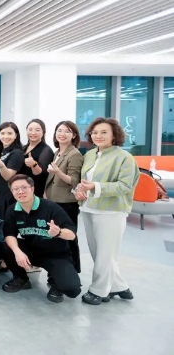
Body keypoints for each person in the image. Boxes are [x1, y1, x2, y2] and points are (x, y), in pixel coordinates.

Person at [75, 117, 139, 306]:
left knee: (105, 254)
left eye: (104, 132)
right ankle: (119, 286)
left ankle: (99, 290)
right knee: (99, 252)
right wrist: (79, 190)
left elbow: (125, 186)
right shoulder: (90, 155)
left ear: (114, 135)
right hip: (88, 208)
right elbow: (84, 181)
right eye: (94, 132)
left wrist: (95, 186)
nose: (98, 136)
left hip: (111, 212)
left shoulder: (124, 157)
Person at [1, 175, 80, 303]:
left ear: (32, 188)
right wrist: (17, 252)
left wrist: (58, 232)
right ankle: (21, 278)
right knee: (6, 245)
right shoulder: (12, 210)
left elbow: (72, 234)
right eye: (16, 189)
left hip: (56, 254)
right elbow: (9, 234)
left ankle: (55, 281)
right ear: (12, 192)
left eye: (24, 187)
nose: (20, 191)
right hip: (32, 251)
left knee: (72, 289)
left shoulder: (50, 207)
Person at [45, 120, 84, 273]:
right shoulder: (58, 152)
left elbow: (74, 181)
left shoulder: (74, 154)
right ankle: (59, 270)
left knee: (69, 237)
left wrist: (58, 172)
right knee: (56, 237)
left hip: (66, 203)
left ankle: (73, 269)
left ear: (74, 135)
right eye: (59, 131)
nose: (62, 134)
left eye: (67, 131)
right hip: (54, 200)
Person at [0, 122, 24, 219]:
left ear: (16, 135)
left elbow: (8, 176)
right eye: (2, 133)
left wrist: (1, 164)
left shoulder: (17, 153)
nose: (5, 136)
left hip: (7, 196)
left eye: (10, 133)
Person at [19, 119, 55, 198]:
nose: (33, 133)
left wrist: (33, 164)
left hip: (35, 191)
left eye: (37, 130)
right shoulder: (23, 148)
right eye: (30, 129)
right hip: (20, 189)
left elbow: (41, 174)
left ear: (43, 132)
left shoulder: (46, 150)